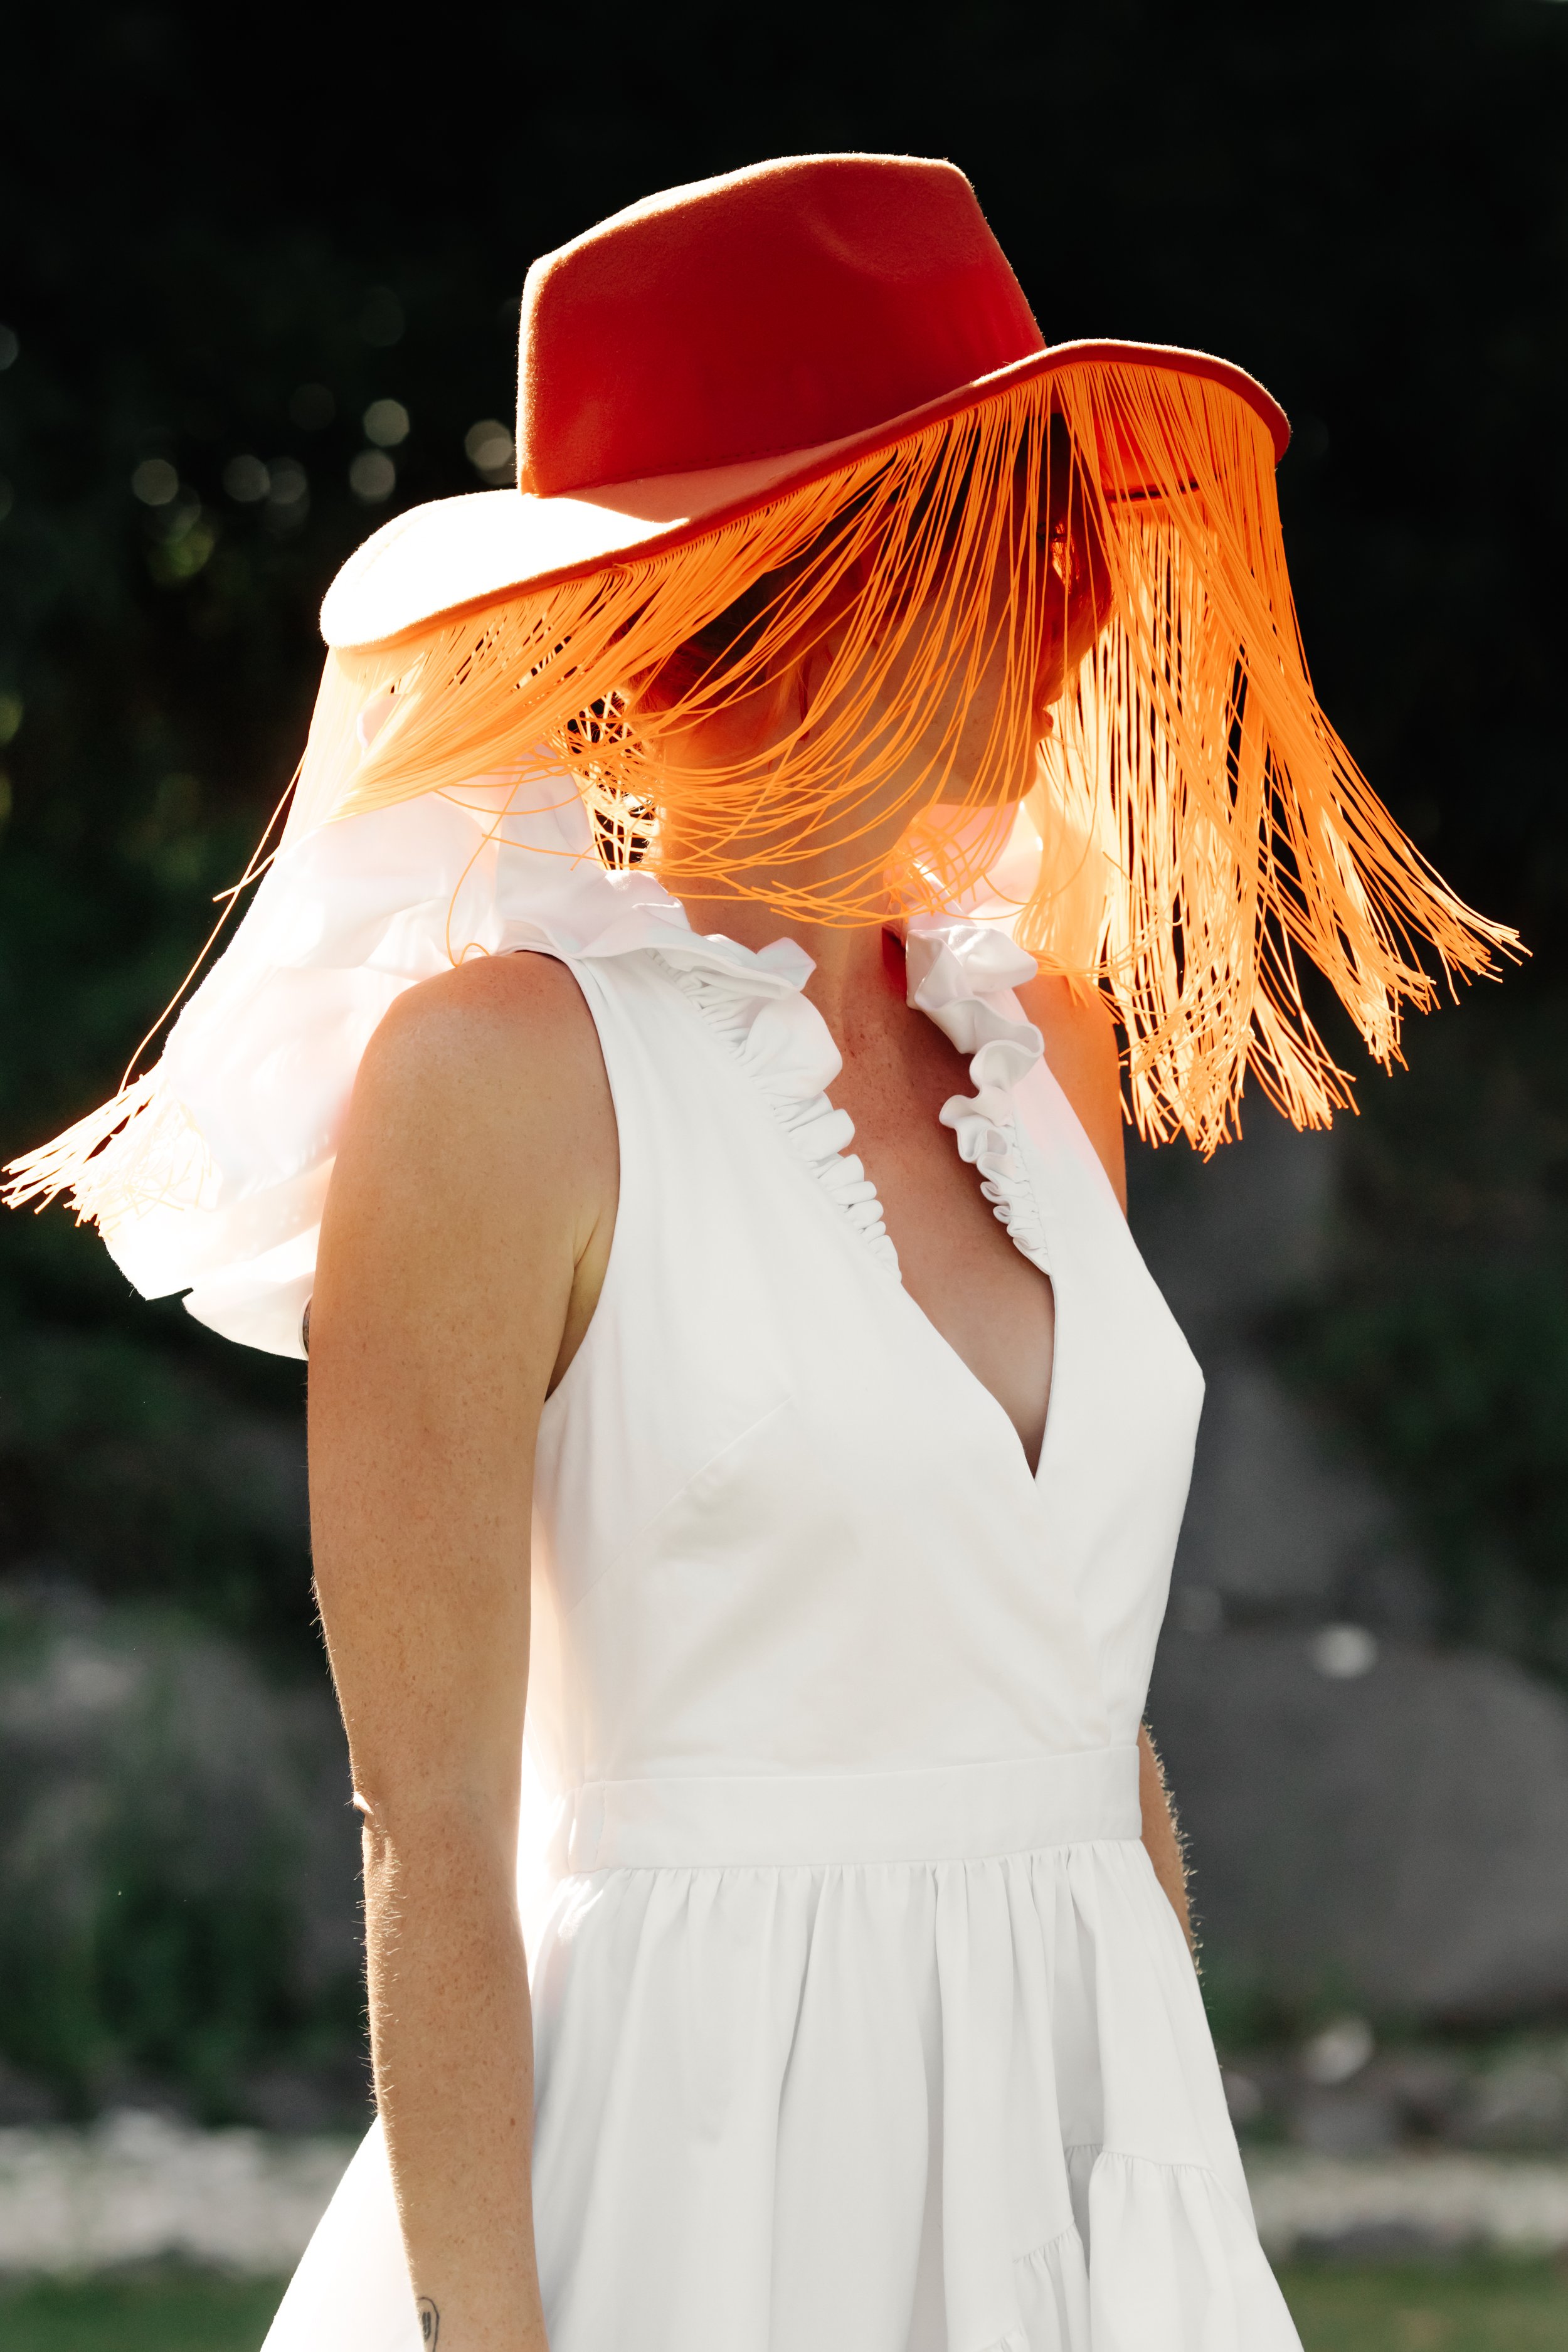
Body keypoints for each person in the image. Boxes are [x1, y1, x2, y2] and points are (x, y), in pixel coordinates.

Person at [8, 155, 1510, 2350]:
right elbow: (427, 1829)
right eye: (1014, 536)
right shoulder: (501, 1081)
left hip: (1095, 2188)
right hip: (687, 2198)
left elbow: (1080, 1718)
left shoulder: (1035, 1044)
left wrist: (1182, 2229)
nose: (1085, 606)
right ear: (799, 590)